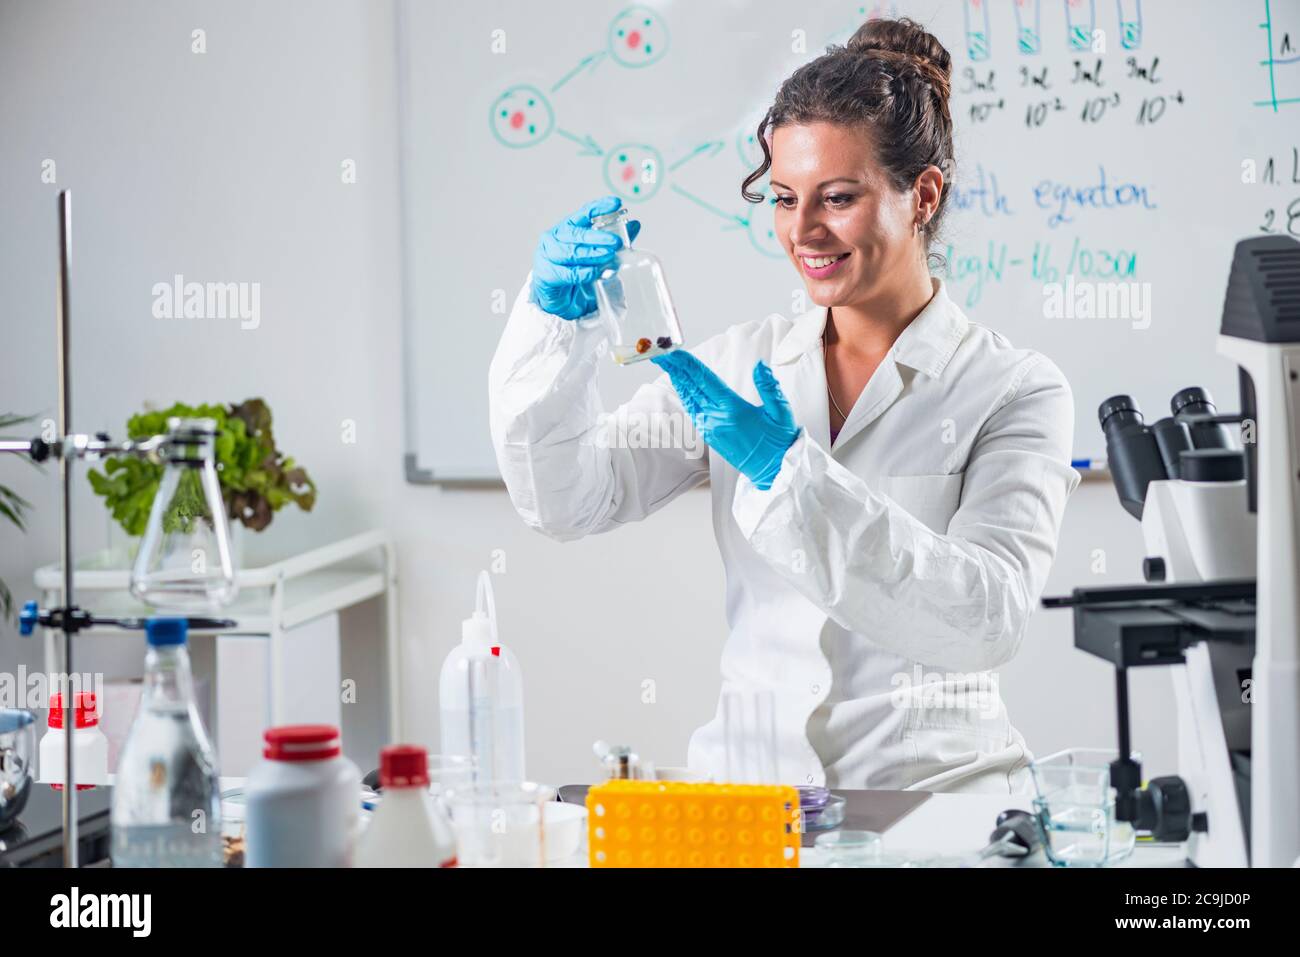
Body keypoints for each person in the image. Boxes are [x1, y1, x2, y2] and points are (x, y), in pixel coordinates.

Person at [488, 17, 1079, 792]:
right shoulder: (738, 367)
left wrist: (792, 479)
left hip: (933, 803)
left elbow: (987, 617)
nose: (802, 230)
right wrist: (551, 326)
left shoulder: (1014, 389)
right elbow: (570, 499)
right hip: (751, 798)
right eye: (782, 197)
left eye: (836, 198)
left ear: (922, 194)